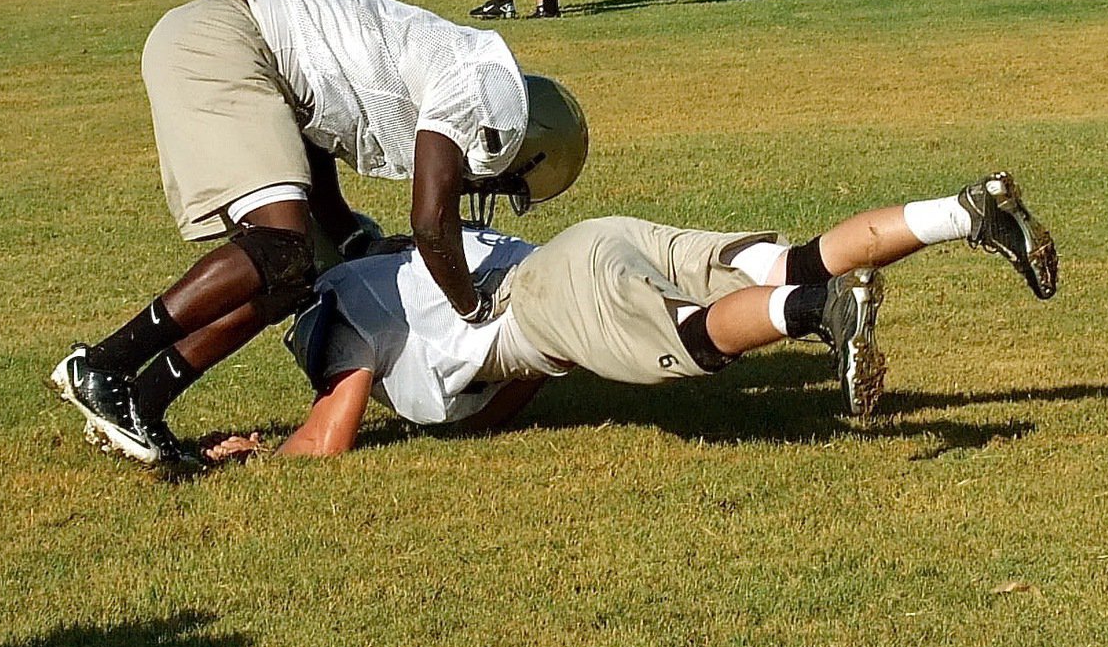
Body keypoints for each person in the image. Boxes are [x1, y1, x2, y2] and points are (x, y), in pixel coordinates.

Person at [49, 0, 588, 467]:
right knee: (280, 246)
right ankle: (105, 366)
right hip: (227, 42)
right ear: (521, 145)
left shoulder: (445, 70)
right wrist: (472, 304)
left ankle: (143, 402)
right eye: (506, 182)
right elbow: (430, 222)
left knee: (292, 276)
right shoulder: (473, 89)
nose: (483, 189)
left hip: (238, 50)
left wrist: (353, 239)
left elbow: (317, 135)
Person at [202, 171, 1058, 461]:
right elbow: (516, 391)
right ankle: (966, 211)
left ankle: (821, 313)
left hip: (551, 299)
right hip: (590, 245)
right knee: (785, 254)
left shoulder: (335, 309)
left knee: (693, 335)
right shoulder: (394, 260)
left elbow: (334, 429)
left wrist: (261, 458)